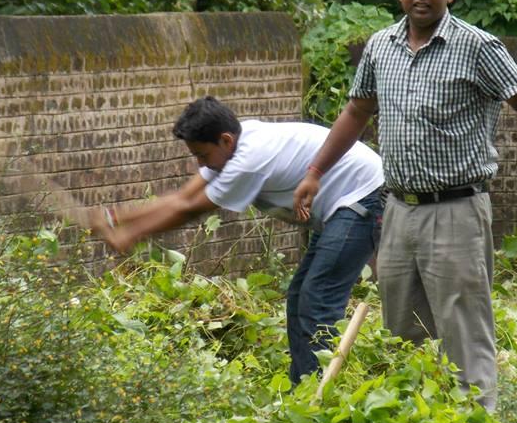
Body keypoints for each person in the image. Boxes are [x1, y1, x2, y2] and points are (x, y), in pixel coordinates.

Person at [293, 0, 517, 410]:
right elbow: (357, 110)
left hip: (457, 208)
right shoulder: (381, 47)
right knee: (401, 326)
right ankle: (418, 422)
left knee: (463, 323)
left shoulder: (476, 46)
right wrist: (315, 170)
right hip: (398, 209)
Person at [93, 96, 385, 385]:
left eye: (202, 157)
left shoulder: (247, 162)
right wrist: (116, 219)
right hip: (342, 203)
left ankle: (321, 397)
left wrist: (131, 234)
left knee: (317, 299)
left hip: (362, 196)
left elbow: (189, 210)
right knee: (299, 297)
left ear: (225, 140)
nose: (200, 164)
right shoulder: (233, 143)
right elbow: (182, 197)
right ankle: (305, 392)